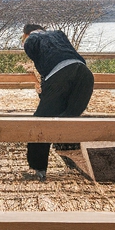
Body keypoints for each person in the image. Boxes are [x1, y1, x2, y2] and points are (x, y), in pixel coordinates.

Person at [21, 23, 95, 181]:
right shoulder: (59, 34)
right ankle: (69, 152)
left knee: (41, 123)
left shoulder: (31, 39)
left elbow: (44, 67)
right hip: (85, 74)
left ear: (26, 34)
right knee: (68, 117)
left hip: (60, 74)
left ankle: (38, 169)